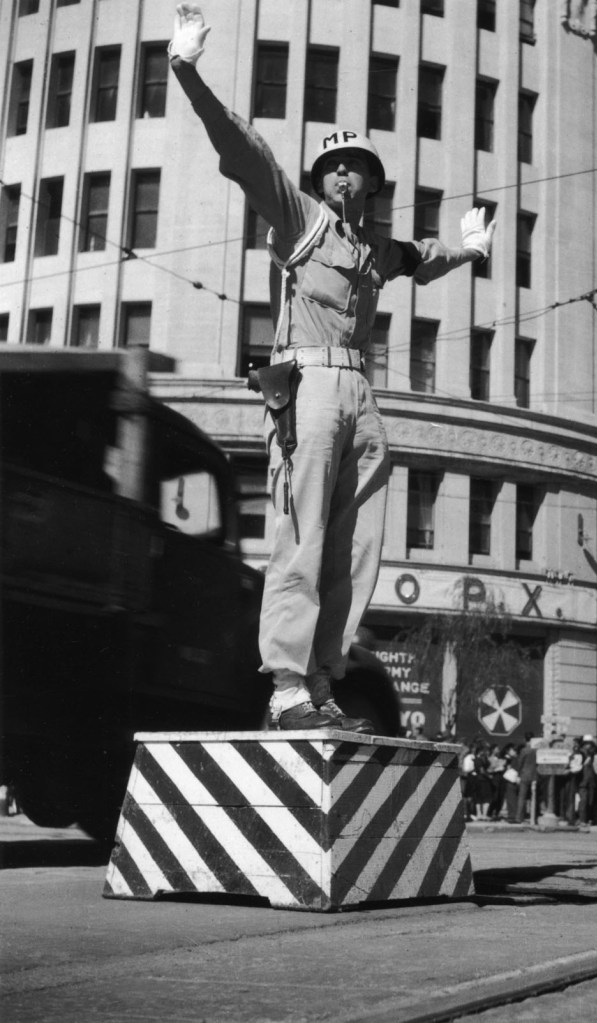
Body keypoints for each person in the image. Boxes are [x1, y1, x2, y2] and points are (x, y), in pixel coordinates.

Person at [167, 5, 495, 730]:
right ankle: (285, 679)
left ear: (374, 183)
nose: (345, 173)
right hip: (310, 383)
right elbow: (246, 152)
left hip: (361, 394)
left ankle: (321, 677)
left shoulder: (375, 250)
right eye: (334, 165)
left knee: (357, 546)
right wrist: (187, 73)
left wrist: (472, 251)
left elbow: (422, 258)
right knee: (303, 529)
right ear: (322, 178)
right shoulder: (301, 219)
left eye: (358, 166)